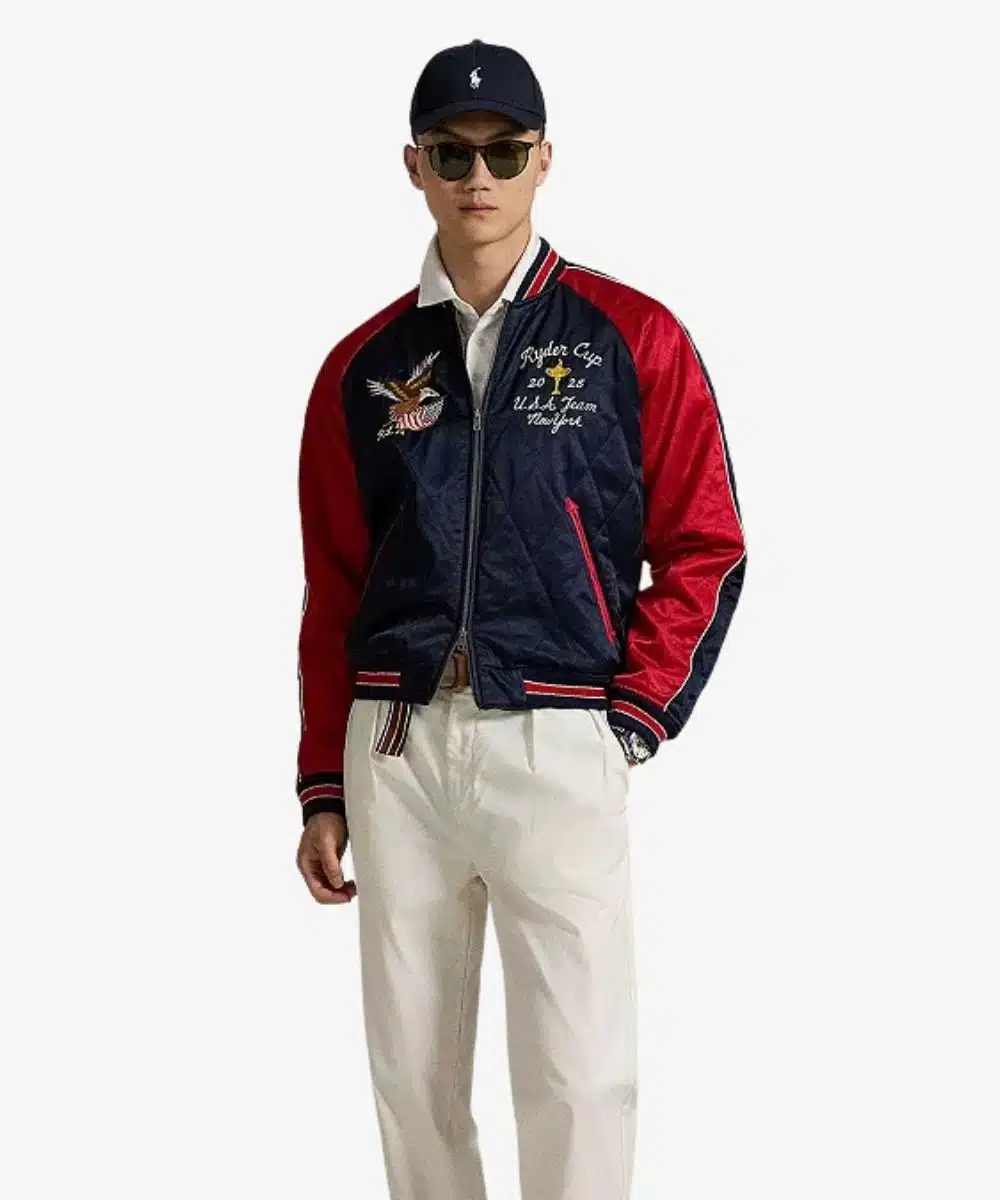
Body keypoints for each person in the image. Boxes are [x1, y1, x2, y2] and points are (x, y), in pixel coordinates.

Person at [293, 37, 746, 1200]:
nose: (478, 176)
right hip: (397, 751)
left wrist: (630, 719)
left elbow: (705, 544)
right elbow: (334, 587)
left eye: (504, 151)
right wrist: (323, 783)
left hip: (559, 738)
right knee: (412, 1078)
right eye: (451, 153)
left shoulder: (630, 337)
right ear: (414, 165)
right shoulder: (363, 368)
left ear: (545, 159)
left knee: (579, 1077)